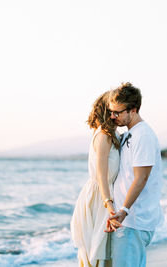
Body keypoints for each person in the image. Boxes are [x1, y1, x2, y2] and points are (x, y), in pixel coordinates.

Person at [107, 82, 164, 267]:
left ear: (133, 109)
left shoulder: (143, 135)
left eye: (117, 112)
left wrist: (124, 211)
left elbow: (141, 178)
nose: (113, 116)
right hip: (128, 220)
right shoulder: (131, 134)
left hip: (134, 220)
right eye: (111, 112)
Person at [70, 91, 120, 267]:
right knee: (98, 251)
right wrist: (109, 203)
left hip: (104, 194)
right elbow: (101, 174)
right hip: (100, 196)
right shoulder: (104, 135)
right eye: (115, 108)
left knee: (103, 251)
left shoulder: (110, 134)